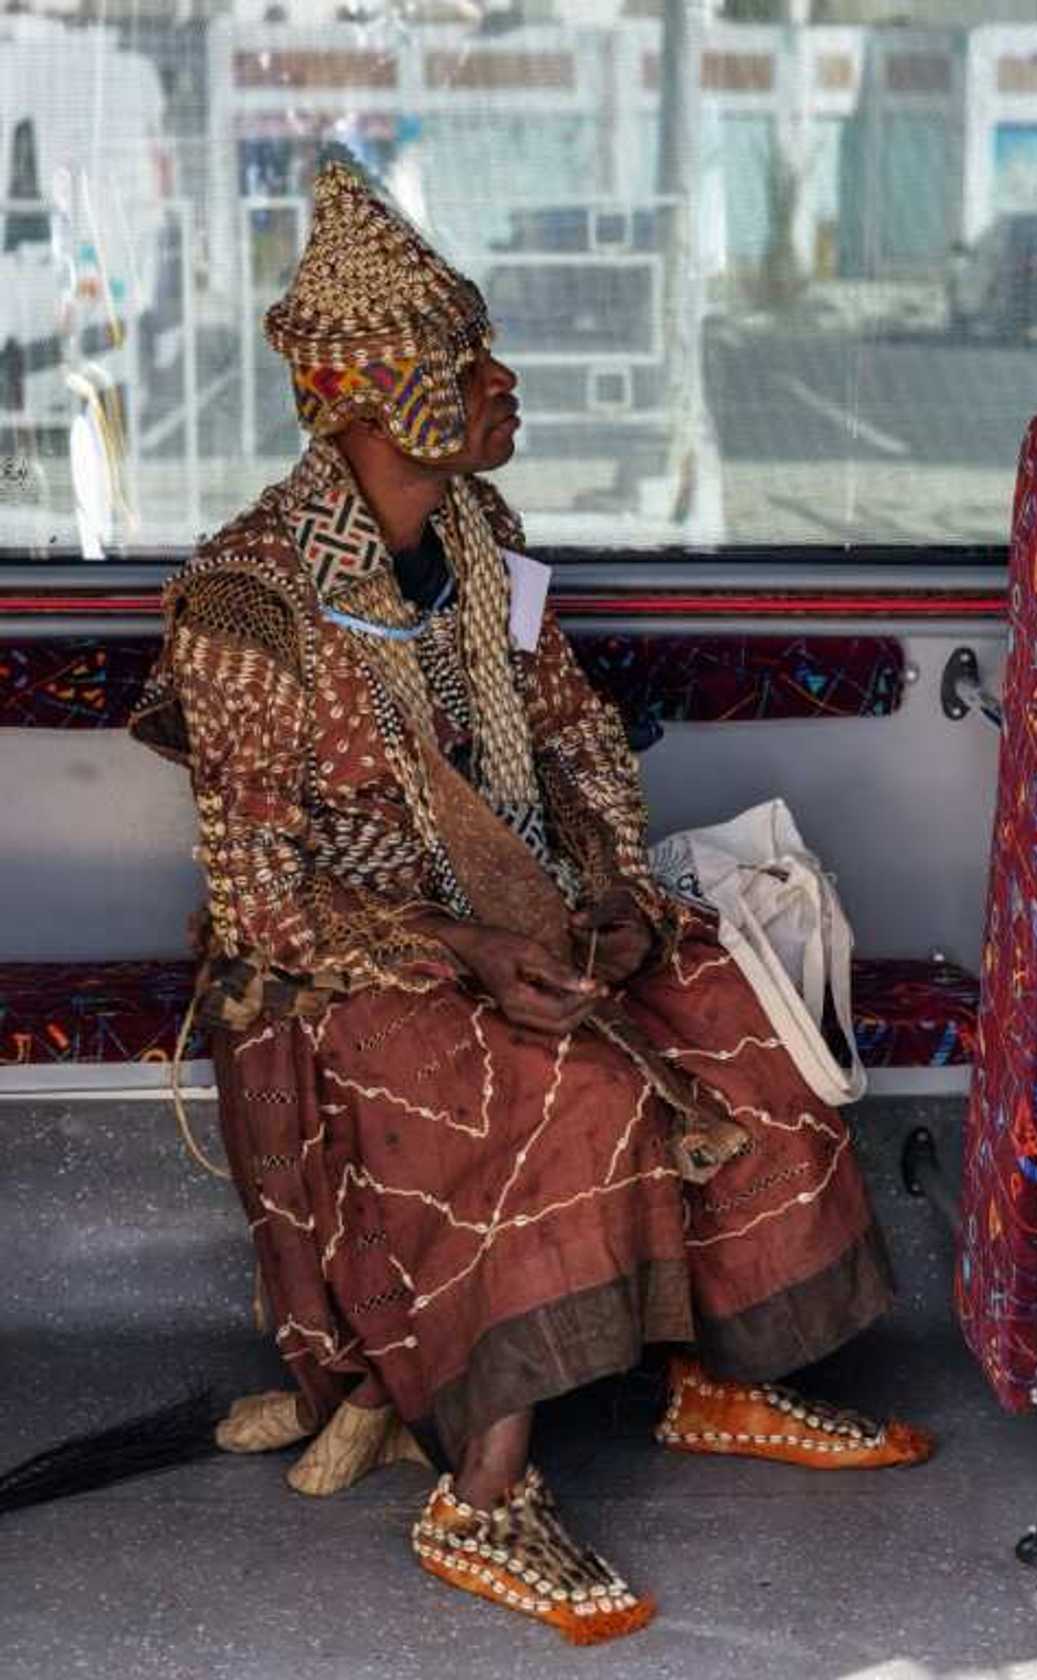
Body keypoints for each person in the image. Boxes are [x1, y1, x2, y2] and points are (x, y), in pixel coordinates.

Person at [131, 155, 933, 1648]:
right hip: (342, 967)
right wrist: (468, 950)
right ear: (375, 395)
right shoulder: (246, 601)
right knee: (562, 1082)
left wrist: (617, 895)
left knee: (724, 997)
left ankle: (727, 1377)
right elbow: (258, 899)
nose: (502, 386)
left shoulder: (483, 538)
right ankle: (482, 1494)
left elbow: (570, 738)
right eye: (467, 365)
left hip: (530, 910)